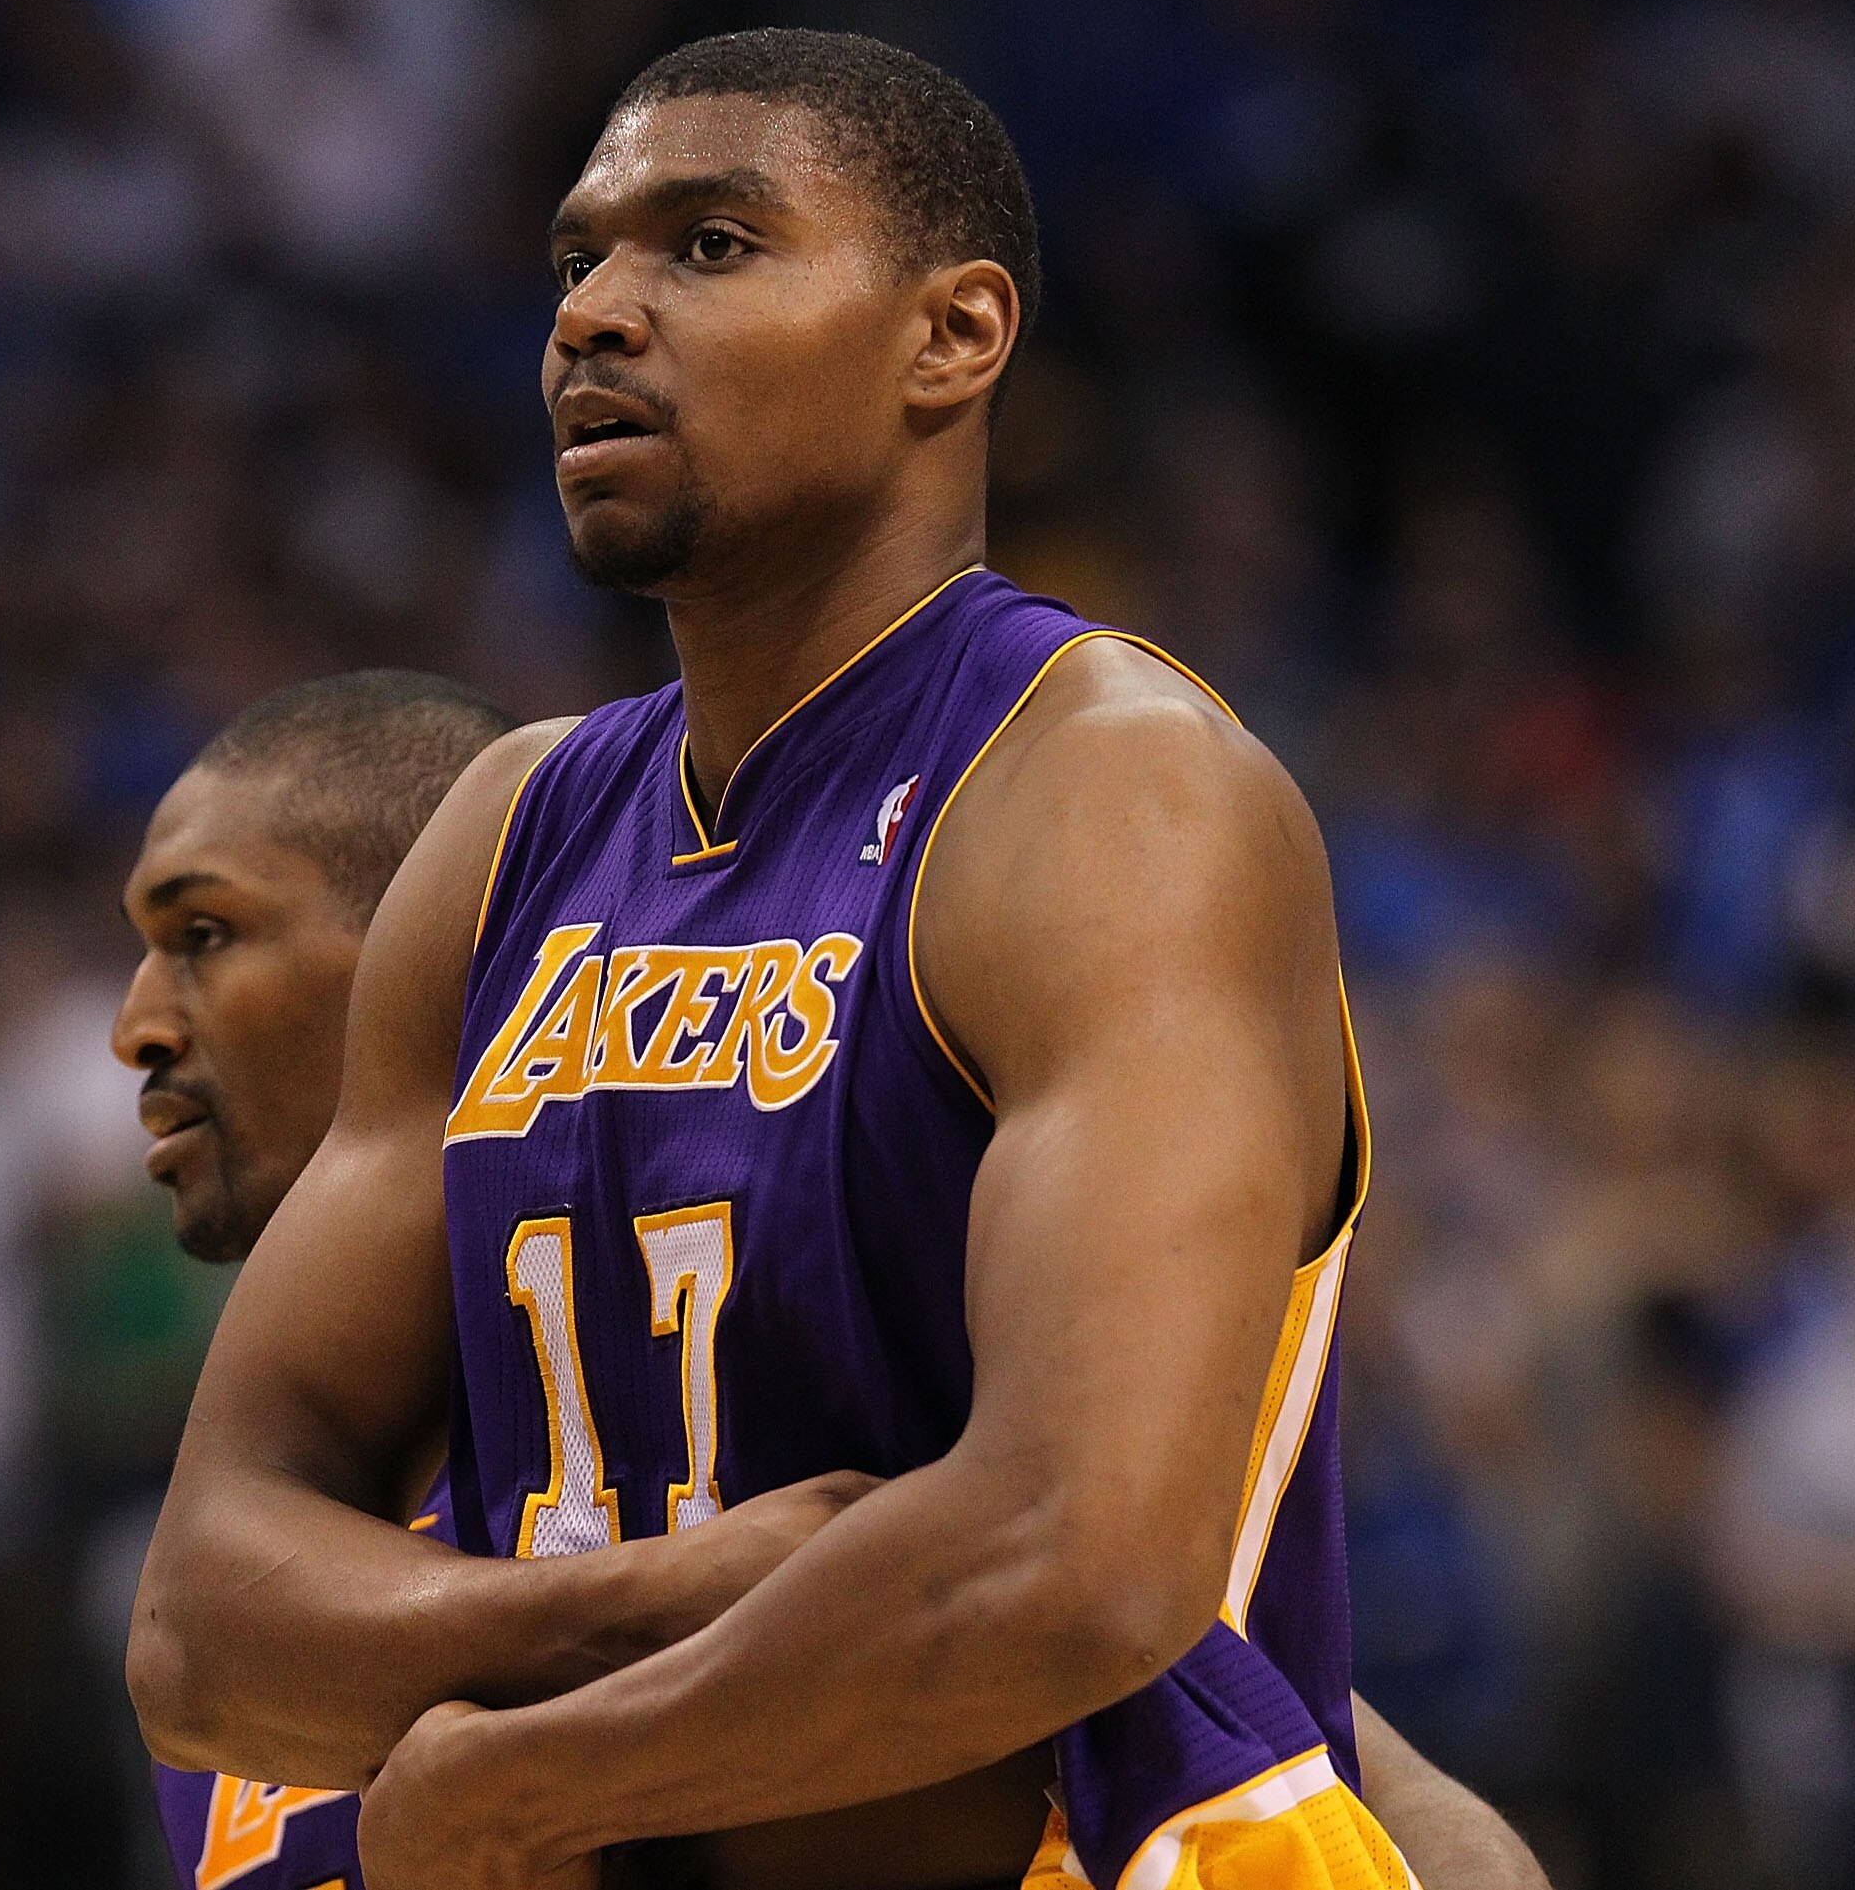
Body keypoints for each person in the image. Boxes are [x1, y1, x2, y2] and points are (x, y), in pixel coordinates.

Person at [136, 21, 1397, 1890]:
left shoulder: (1105, 792)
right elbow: (201, 1628)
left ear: (952, 338)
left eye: (709, 245)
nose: (594, 316)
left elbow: (1076, 1560)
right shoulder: (507, 837)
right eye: (579, 260)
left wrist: (527, 1780)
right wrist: (664, 1608)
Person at [118, 669, 1546, 1890]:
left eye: (207, 935)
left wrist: (540, 1752)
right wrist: (662, 1596)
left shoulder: (766, 1447)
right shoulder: (277, 1570)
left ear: (450, 958)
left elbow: (1358, 1780)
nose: (138, 1025)